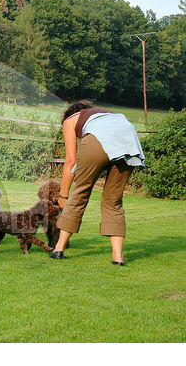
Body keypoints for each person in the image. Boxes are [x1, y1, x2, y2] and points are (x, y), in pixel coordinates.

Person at [50, 101, 145, 265]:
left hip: (98, 141)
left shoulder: (70, 120)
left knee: (80, 193)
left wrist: (63, 195)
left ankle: (58, 249)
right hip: (129, 142)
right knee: (113, 200)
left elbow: (70, 161)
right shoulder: (106, 114)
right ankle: (118, 257)